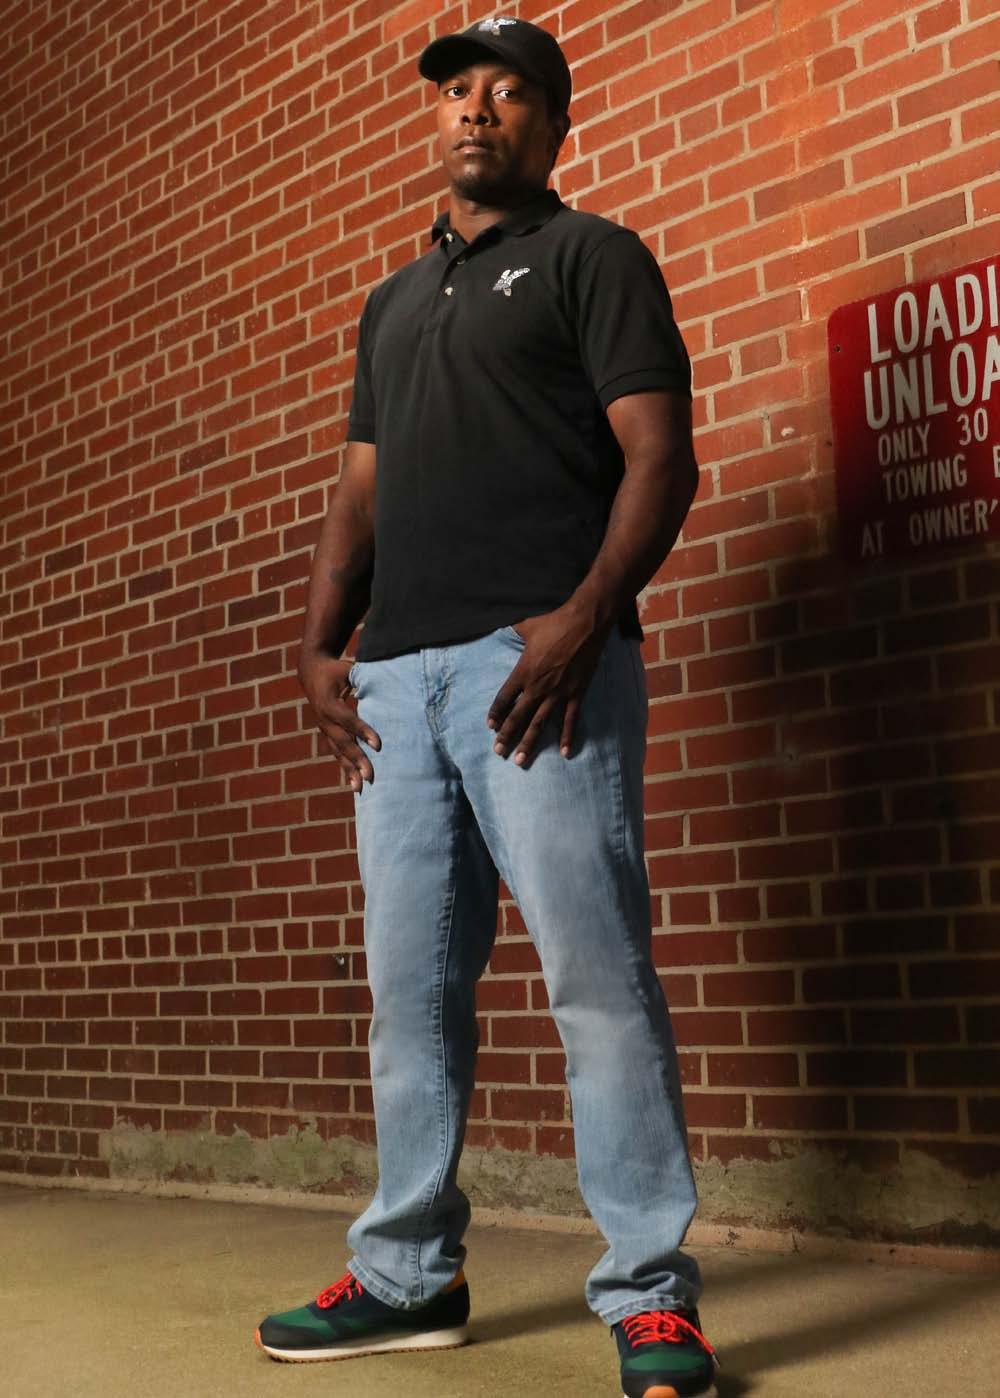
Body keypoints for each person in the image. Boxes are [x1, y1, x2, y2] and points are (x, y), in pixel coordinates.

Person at [255, 15, 718, 1397]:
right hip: (397, 687)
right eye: (457, 88)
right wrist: (319, 643)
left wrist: (585, 618)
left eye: (510, 90)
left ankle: (650, 1293)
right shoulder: (392, 304)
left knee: (596, 980)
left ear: (554, 124)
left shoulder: (594, 258)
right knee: (409, 992)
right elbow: (360, 490)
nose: (476, 108)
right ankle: (409, 1273)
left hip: (538, 673)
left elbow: (662, 456)